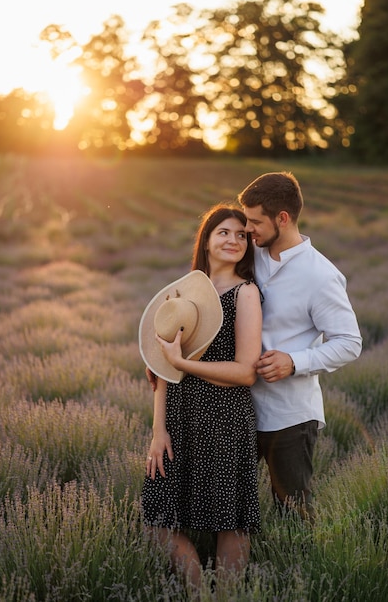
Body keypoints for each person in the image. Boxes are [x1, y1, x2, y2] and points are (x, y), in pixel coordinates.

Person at [139, 204, 263, 597]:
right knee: (159, 519)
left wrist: (182, 363)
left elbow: (246, 371)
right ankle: (199, 594)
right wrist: (158, 431)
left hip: (225, 417)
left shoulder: (246, 293)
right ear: (207, 240)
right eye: (224, 232)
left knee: (230, 519)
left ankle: (225, 596)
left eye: (242, 235)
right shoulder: (183, 295)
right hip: (178, 416)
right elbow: (161, 370)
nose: (233, 240)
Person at [237, 171, 363, 522]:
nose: (248, 229)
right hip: (239, 405)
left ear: (283, 218)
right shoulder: (249, 255)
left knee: (292, 514)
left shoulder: (320, 276)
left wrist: (294, 361)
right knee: (229, 503)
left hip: (290, 415)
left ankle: (293, 575)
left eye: (255, 221)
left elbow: (350, 342)